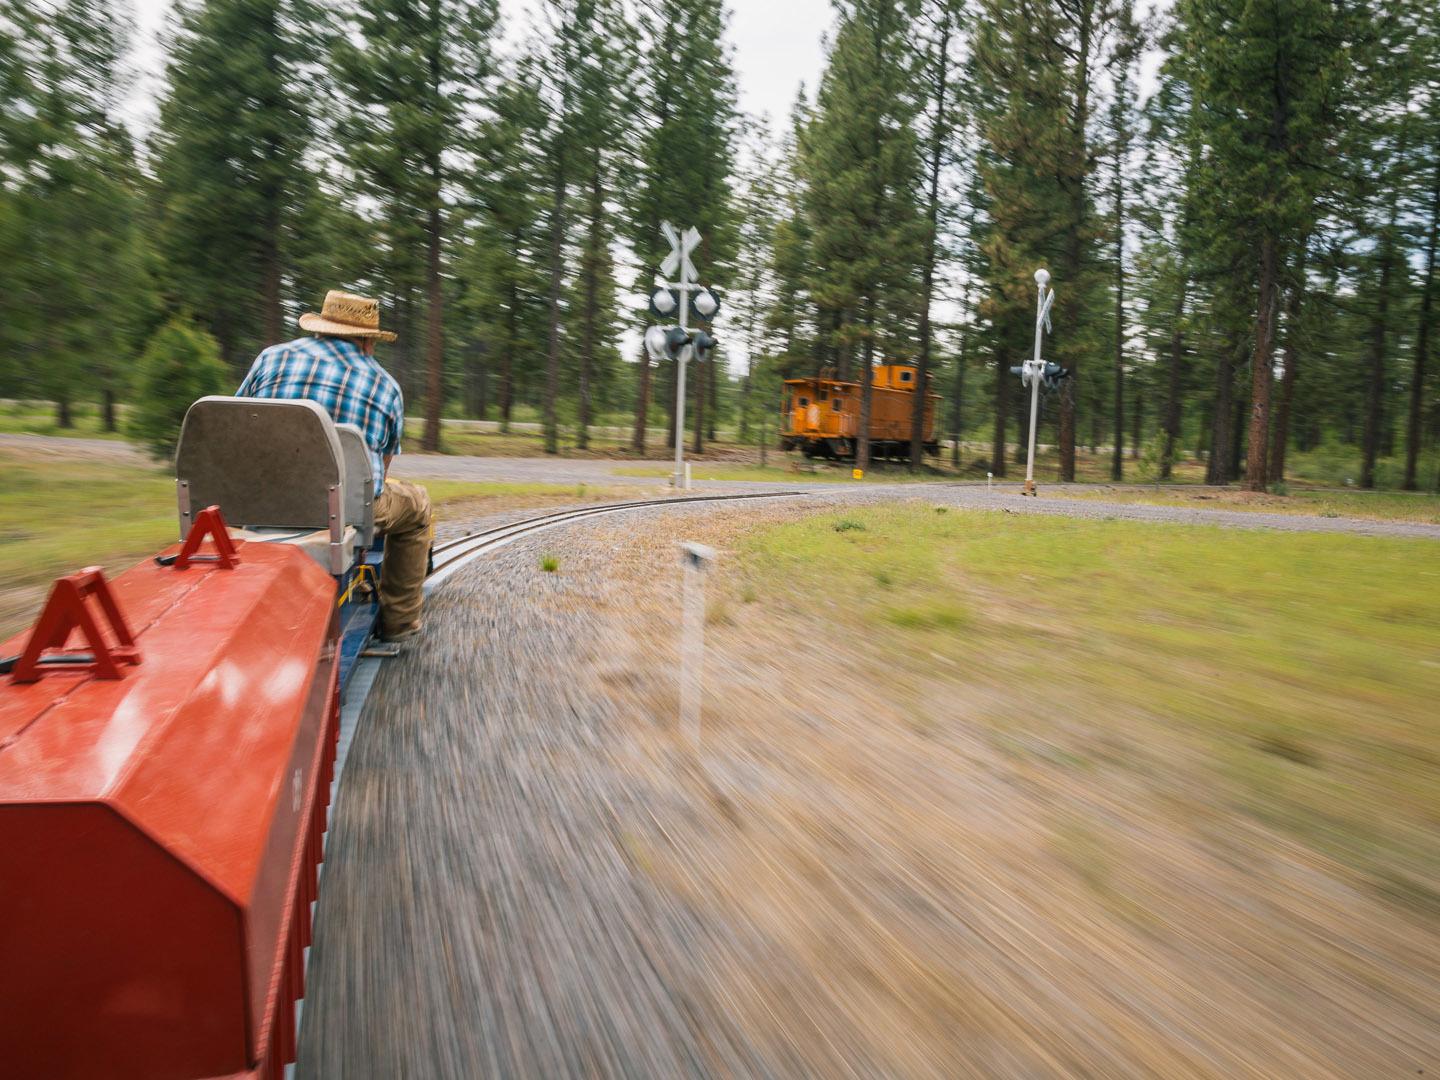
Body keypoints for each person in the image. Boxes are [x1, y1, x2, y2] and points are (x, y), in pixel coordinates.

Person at [236, 290, 430, 642]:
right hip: (344, 511)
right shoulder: (385, 386)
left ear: (319, 329)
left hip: (261, 501)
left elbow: (236, 426)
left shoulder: (271, 359)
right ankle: (399, 623)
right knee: (417, 505)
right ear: (368, 342)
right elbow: (379, 477)